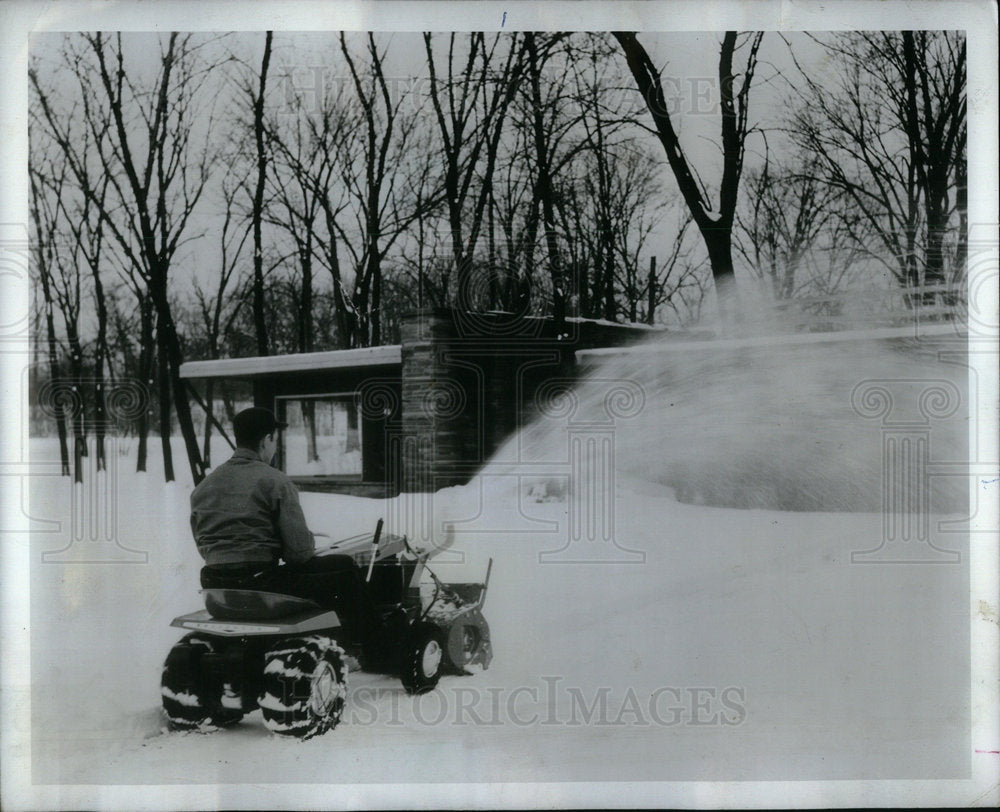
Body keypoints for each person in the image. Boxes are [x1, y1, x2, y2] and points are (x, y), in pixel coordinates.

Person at [190, 407, 381, 646]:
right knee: (344, 567)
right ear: (267, 440)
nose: (274, 447)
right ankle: (376, 644)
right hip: (260, 584)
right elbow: (299, 554)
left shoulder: (203, 487)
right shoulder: (275, 481)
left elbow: (203, 543)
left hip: (214, 585)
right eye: (274, 440)